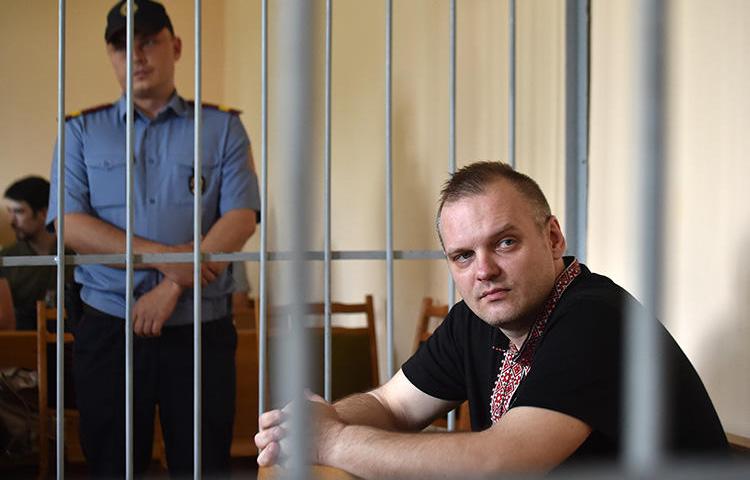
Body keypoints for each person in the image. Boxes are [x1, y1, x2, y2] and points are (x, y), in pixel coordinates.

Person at [255, 161, 727, 477]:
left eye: (505, 242)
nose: (484, 271)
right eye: (463, 255)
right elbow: (394, 405)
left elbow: (502, 461)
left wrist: (334, 442)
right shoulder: (474, 321)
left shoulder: (595, 321)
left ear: (553, 237)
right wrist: (324, 420)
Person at [47, 0, 260, 476]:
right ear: (111, 56)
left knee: (202, 464)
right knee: (111, 465)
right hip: (108, 326)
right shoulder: (81, 130)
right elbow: (71, 224)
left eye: (148, 42)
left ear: (176, 47)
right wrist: (168, 260)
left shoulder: (221, 127)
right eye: (122, 46)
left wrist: (172, 287)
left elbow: (241, 218)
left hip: (201, 329)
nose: (136, 55)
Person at [0, 176, 58, 330]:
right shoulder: (5, 260)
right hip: (22, 346)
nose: (12, 221)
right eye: (9, 212)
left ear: (44, 213)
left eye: (18, 212)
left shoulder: (75, 256)